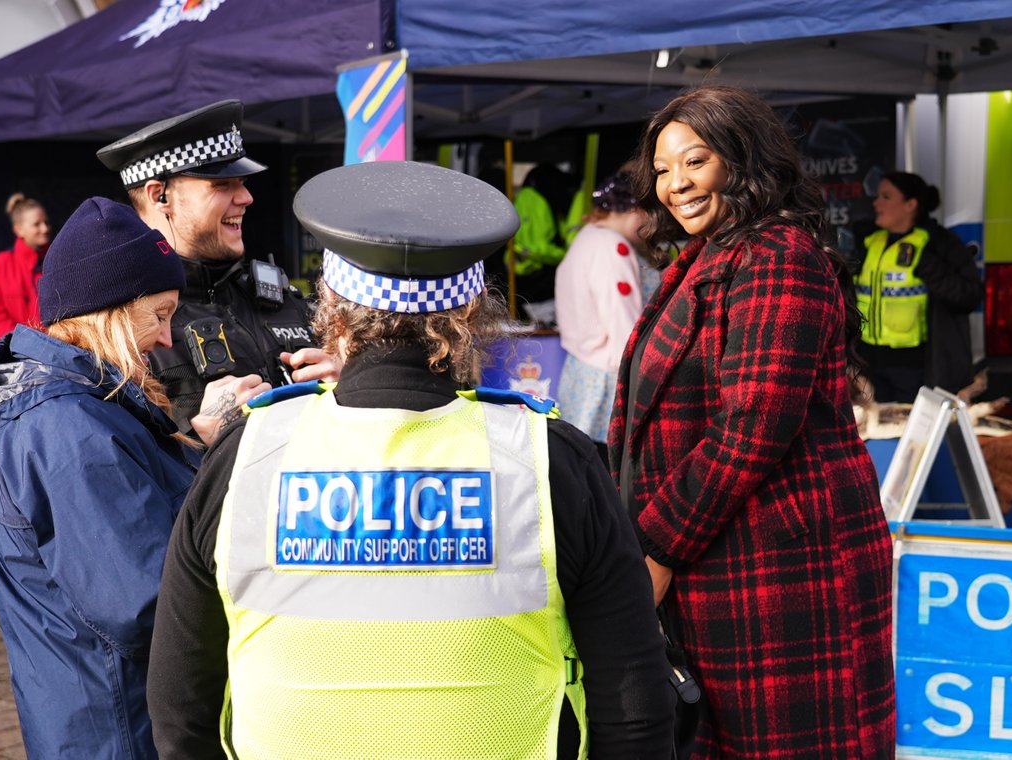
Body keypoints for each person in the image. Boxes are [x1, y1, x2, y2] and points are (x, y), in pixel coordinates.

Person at [147, 160, 676, 759]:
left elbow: (180, 705)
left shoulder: (246, 454)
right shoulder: (549, 460)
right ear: (469, 316)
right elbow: (633, 700)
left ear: (333, 317)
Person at [613, 85, 896, 758]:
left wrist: (657, 549)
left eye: (696, 161)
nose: (676, 184)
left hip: (780, 562)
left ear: (741, 159)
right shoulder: (706, 255)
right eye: (663, 169)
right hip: (724, 552)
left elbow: (753, 425)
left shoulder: (778, 256)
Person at [0, 197, 271, 759]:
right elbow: (151, 605)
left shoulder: (75, 407)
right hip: (122, 728)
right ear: (111, 313)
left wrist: (202, 438)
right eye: (160, 315)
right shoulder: (67, 428)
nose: (167, 339)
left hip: (102, 717)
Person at [96, 99, 339, 437]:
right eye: (222, 185)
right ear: (159, 195)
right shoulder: (120, 328)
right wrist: (199, 435)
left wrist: (346, 389)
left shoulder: (279, 299)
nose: (246, 198)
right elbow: (118, 461)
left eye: (242, 182)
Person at [554, 170, 659, 463]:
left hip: (583, 375)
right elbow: (624, 325)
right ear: (634, 210)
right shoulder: (613, 247)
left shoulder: (588, 237)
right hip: (607, 383)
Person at [857, 170, 985, 402]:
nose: (876, 203)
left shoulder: (939, 244)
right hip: (870, 368)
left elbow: (969, 295)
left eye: (886, 197)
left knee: (910, 425)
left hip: (918, 370)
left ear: (910, 205)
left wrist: (927, 265)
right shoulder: (869, 242)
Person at [0, 192, 50, 338]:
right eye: (37, 224)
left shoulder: (56, 260)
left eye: (46, 222)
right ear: (19, 229)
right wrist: (19, 340)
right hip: (14, 348)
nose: (45, 228)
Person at [509, 162, 579, 305]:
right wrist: (566, 256)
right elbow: (537, 247)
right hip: (532, 277)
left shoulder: (540, 199)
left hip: (534, 274)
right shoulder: (533, 199)